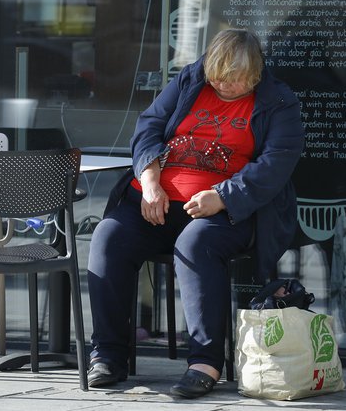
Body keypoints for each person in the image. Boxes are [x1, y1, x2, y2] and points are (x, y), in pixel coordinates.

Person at [86, 29, 305, 398]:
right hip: (154, 203)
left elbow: (276, 164)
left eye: (234, 79)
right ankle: (108, 353)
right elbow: (149, 125)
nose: (224, 84)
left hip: (225, 214)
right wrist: (150, 178)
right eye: (217, 75)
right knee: (109, 237)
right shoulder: (191, 79)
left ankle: (205, 362)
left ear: (254, 74)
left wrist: (222, 196)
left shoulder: (278, 102)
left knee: (196, 241)